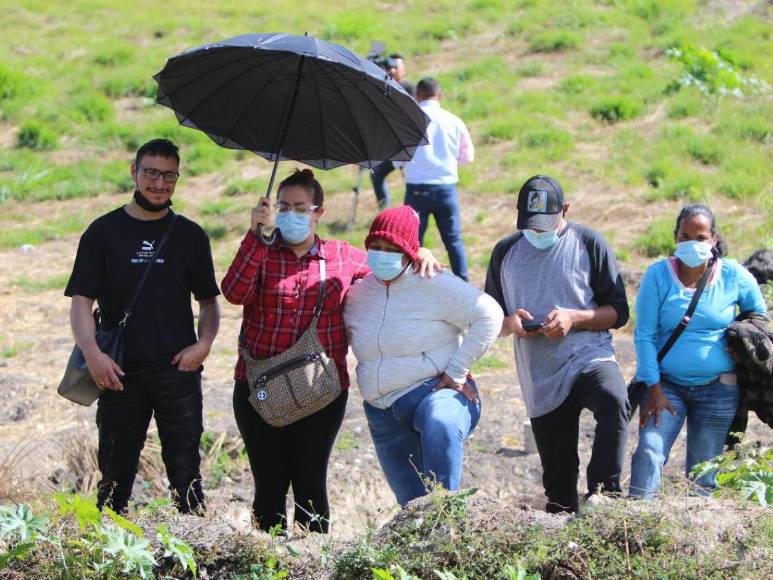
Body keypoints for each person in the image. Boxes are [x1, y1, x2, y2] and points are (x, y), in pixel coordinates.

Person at [221, 170, 438, 533]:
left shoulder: (342, 256)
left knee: (310, 484)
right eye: (283, 207)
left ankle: (312, 558)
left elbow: (390, 271)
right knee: (269, 487)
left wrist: (419, 252)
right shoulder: (261, 252)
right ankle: (265, 560)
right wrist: (255, 236)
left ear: (318, 213)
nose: (291, 214)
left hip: (320, 392)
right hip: (257, 389)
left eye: (300, 207)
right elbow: (233, 292)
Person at [65, 138, 221, 514]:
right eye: (151, 173)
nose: (159, 183)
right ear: (134, 172)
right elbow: (81, 302)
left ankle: (195, 542)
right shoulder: (102, 232)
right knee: (114, 479)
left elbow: (209, 302)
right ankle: (110, 543)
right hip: (118, 372)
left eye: (170, 176)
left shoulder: (191, 236)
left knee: (187, 477)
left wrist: (203, 346)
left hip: (177, 370)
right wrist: (93, 355)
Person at [484, 175, 630, 513]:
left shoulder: (589, 243)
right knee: (559, 485)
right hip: (541, 376)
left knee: (613, 399)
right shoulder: (505, 252)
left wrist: (574, 318)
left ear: (565, 209)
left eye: (545, 224)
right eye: (530, 225)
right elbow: (490, 317)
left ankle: (604, 495)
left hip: (589, 357)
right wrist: (510, 323)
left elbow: (618, 312)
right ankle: (562, 529)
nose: (537, 232)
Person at [344, 206, 503, 506]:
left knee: (442, 423)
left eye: (392, 249)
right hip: (381, 410)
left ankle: (448, 516)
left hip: (433, 391)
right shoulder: (358, 293)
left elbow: (490, 315)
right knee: (412, 507)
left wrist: (456, 371)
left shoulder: (432, 281)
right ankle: (429, 530)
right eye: (376, 246)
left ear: (409, 253)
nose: (382, 255)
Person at [629, 204, 767, 499]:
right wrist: (653, 388)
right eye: (685, 236)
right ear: (675, 238)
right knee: (649, 450)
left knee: (703, 475)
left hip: (719, 389)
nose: (692, 243)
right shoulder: (658, 276)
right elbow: (644, 335)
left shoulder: (733, 275)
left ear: (713, 239)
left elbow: (759, 319)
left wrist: (741, 341)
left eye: (701, 237)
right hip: (665, 386)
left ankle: (694, 527)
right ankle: (638, 516)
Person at [397, 77, 474, 281]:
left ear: (417, 95)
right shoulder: (454, 121)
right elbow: (467, 156)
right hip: (445, 188)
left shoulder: (409, 121)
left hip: (416, 189)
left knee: (412, 241)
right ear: (440, 95)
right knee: (453, 240)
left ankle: (411, 282)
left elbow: (397, 159)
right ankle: (463, 281)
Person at [369, 53, 416, 210]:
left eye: (397, 67)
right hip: (389, 144)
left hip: (407, 143)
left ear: (404, 69)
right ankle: (384, 210)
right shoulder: (381, 86)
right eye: (390, 66)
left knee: (411, 179)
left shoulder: (410, 88)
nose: (393, 70)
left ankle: (411, 212)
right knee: (376, 174)